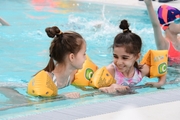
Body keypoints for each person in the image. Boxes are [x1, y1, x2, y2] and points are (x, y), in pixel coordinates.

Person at [99, 20, 166, 94]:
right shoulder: (110, 72)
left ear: (137, 56)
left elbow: (161, 70)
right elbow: (95, 90)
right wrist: (109, 88)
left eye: (124, 58)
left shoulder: (141, 71)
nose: (119, 62)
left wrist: (160, 83)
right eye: (115, 56)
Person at [27, 26, 87, 99]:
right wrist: (62, 96)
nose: (86, 57)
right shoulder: (48, 80)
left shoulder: (73, 75)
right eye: (84, 54)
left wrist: (101, 89)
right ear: (72, 57)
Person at [144, 0, 180, 66]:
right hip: (171, 75)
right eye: (178, 21)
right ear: (167, 25)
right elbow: (156, 25)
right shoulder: (164, 45)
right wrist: (149, 4)